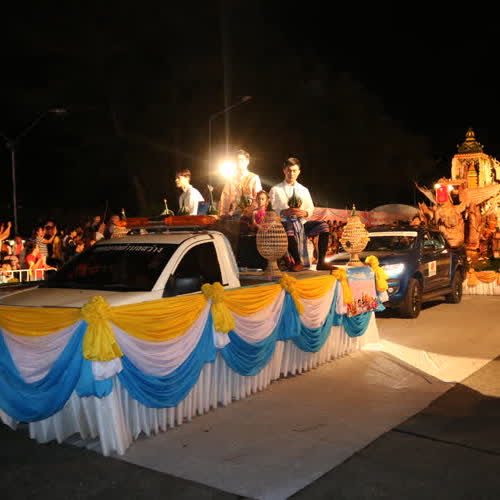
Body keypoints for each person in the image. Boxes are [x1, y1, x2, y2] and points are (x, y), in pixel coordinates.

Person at [269, 157, 334, 271]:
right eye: (289, 170)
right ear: (284, 171)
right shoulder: (275, 189)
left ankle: (321, 262)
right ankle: (298, 262)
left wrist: (305, 212)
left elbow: (310, 208)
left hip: (301, 224)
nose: (291, 173)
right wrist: (283, 212)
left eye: (294, 171)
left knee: (324, 226)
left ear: (299, 172)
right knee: (289, 227)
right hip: (284, 223)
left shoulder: (304, 190)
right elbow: (270, 209)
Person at [219, 149, 262, 217]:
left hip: (250, 216)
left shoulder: (254, 178)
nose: (239, 162)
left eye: (241, 160)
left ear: (247, 161)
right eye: (237, 160)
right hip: (233, 215)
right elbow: (225, 198)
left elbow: (259, 198)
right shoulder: (230, 179)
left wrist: (251, 212)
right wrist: (223, 214)